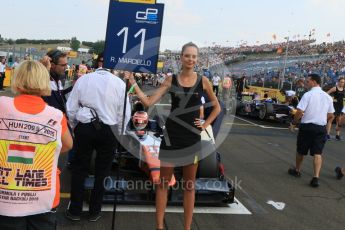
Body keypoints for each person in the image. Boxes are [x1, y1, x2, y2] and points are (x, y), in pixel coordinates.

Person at [125, 42, 221, 230]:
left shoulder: (203, 81)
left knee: (189, 186)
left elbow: (216, 107)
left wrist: (205, 124)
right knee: (162, 185)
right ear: (181, 57)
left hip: (192, 139)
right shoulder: (171, 80)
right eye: (187, 56)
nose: (190, 59)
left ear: (197, 59)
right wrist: (133, 83)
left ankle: (187, 228)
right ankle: (159, 226)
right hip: (171, 138)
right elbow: (148, 101)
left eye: (194, 56)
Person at [0, 60, 73, 229]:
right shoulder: (55, 115)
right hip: (43, 194)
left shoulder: (2, 105)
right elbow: (68, 145)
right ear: (44, 81)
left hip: (6, 194)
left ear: (17, 79)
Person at [65, 53, 131, 222]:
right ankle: (95, 210)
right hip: (109, 130)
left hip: (85, 128)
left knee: (79, 169)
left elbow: (71, 107)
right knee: (102, 172)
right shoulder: (119, 83)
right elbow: (124, 113)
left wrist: (74, 127)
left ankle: (75, 210)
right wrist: (120, 133)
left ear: (97, 63)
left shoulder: (84, 79)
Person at [288, 74, 334, 188]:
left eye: (308, 81)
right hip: (321, 127)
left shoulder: (308, 95)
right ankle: (316, 177)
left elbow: (299, 111)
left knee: (301, 150)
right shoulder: (327, 97)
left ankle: (297, 170)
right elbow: (331, 115)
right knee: (318, 153)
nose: (306, 83)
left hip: (307, 126)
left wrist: (294, 123)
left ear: (314, 82)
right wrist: (322, 119)